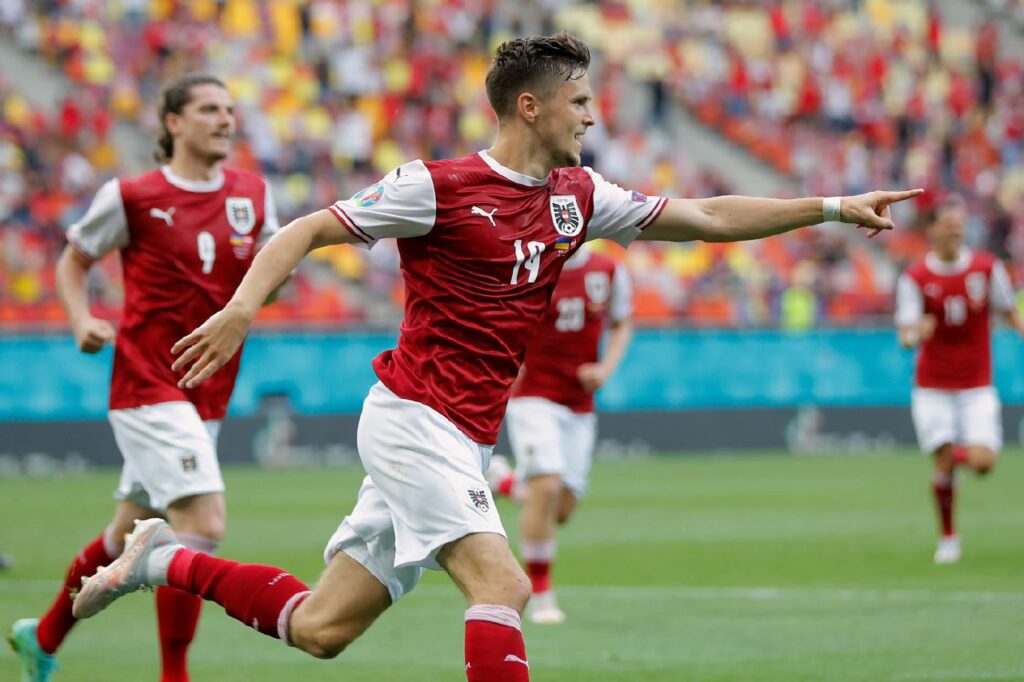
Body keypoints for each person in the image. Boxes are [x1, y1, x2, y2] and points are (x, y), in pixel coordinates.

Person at [71, 33, 920, 682]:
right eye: (579, 101)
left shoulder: (579, 197)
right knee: (503, 587)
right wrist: (241, 310)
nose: (592, 117)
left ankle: (161, 558)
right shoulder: (435, 187)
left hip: (468, 433)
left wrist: (832, 206)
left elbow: (706, 218)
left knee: (320, 629)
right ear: (530, 107)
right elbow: (307, 229)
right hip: (414, 419)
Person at [8, 74, 279, 682]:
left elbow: (270, 277)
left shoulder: (254, 194)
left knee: (121, 534)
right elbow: (74, 260)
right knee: (201, 525)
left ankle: (41, 637)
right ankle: (173, 675)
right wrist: (81, 318)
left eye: (230, 109)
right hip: (147, 386)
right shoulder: (132, 195)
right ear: (173, 122)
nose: (225, 119)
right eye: (209, 109)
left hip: (208, 388)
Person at [487, 243, 633, 624]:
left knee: (560, 508)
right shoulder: (530, 265)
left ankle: (504, 481)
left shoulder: (608, 270)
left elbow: (622, 323)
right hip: (532, 396)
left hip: (579, 403)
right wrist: (507, 359)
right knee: (547, 486)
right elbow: (497, 315)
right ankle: (541, 595)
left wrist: (605, 369)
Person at [895, 196, 1021, 564]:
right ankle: (948, 536)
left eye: (959, 224)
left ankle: (949, 471)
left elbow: (1009, 313)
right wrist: (917, 333)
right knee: (945, 459)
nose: (955, 230)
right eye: (948, 224)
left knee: (982, 462)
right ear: (931, 230)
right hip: (933, 386)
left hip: (976, 383)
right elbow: (905, 335)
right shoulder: (916, 277)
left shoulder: (986, 268)